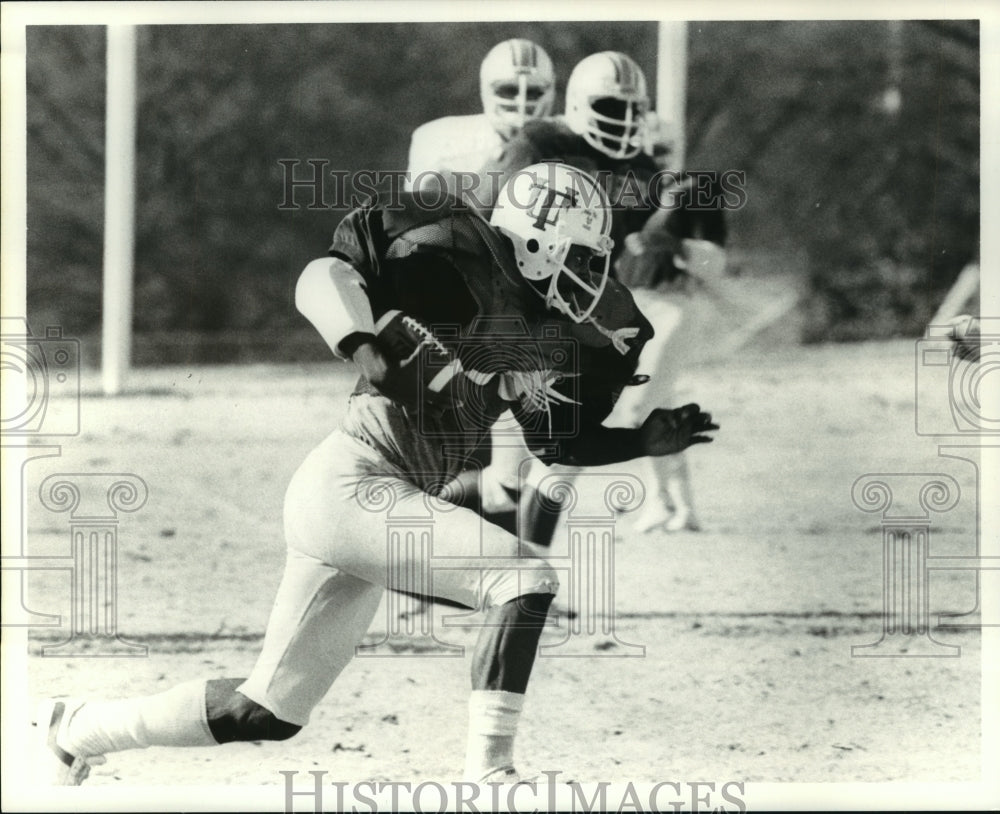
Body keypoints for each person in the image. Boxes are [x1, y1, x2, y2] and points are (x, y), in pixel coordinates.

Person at [34, 163, 717, 786]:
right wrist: (356, 338)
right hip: (355, 480)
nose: (593, 272)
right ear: (536, 241)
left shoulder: (540, 327)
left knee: (266, 711)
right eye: (581, 255)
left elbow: (553, 441)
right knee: (524, 579)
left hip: (369, 499)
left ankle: (82, 727)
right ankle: (492, 774)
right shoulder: (447, 253)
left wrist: (639, 442)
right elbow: (323, 273)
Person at [472, 51, 728, 537]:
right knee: (495, 456)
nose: (625, 120)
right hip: (517, 308)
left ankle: (522, 563)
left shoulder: (639, 165)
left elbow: (630, 249)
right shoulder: (538, 143)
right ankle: (458, 575)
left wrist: (663, 236)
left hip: (580, 316)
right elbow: (480, 221)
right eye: (612, 106)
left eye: (634, 109)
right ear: (579, 104)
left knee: (561, 446)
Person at [405, 38, 555, 200]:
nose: (521, 101)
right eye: (509, 90)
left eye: (533, 91)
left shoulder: (568, 142)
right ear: (486, 89)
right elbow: (423, 214)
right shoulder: (438, 139)